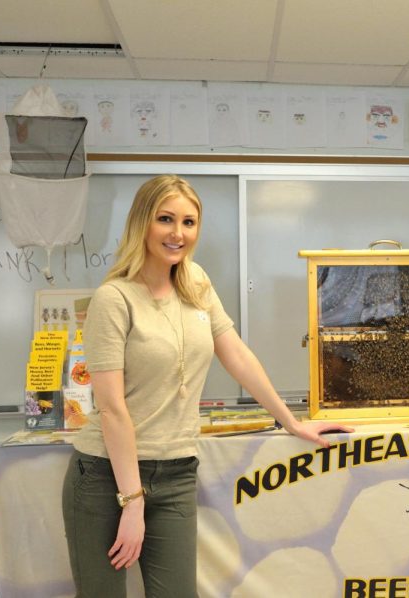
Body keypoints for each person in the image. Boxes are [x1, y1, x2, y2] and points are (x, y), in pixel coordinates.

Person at [62, 175, 352, 597]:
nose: (178, 233)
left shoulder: (195, 282)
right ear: (142, 222)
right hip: (107, 477)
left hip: (176, 471)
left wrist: (291, 422)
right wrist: (132, 501)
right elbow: (112, 409)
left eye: (189, 222)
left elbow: (237, 356)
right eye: (165, 219)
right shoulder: (115, 298)